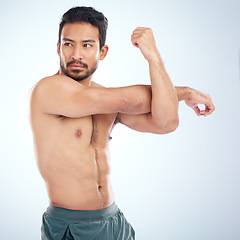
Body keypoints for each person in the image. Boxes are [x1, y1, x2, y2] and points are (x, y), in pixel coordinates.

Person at [30, 6, 215, 240]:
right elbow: (129, 100)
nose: (76, 54)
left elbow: (166, 121)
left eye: (87, 45)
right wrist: (186, 92)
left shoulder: (104, 100)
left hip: (114, 220)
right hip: (71, 226)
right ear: (58, 48)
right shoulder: (48, 90)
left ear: (103, 51)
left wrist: (153, 57)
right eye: (68, 44)